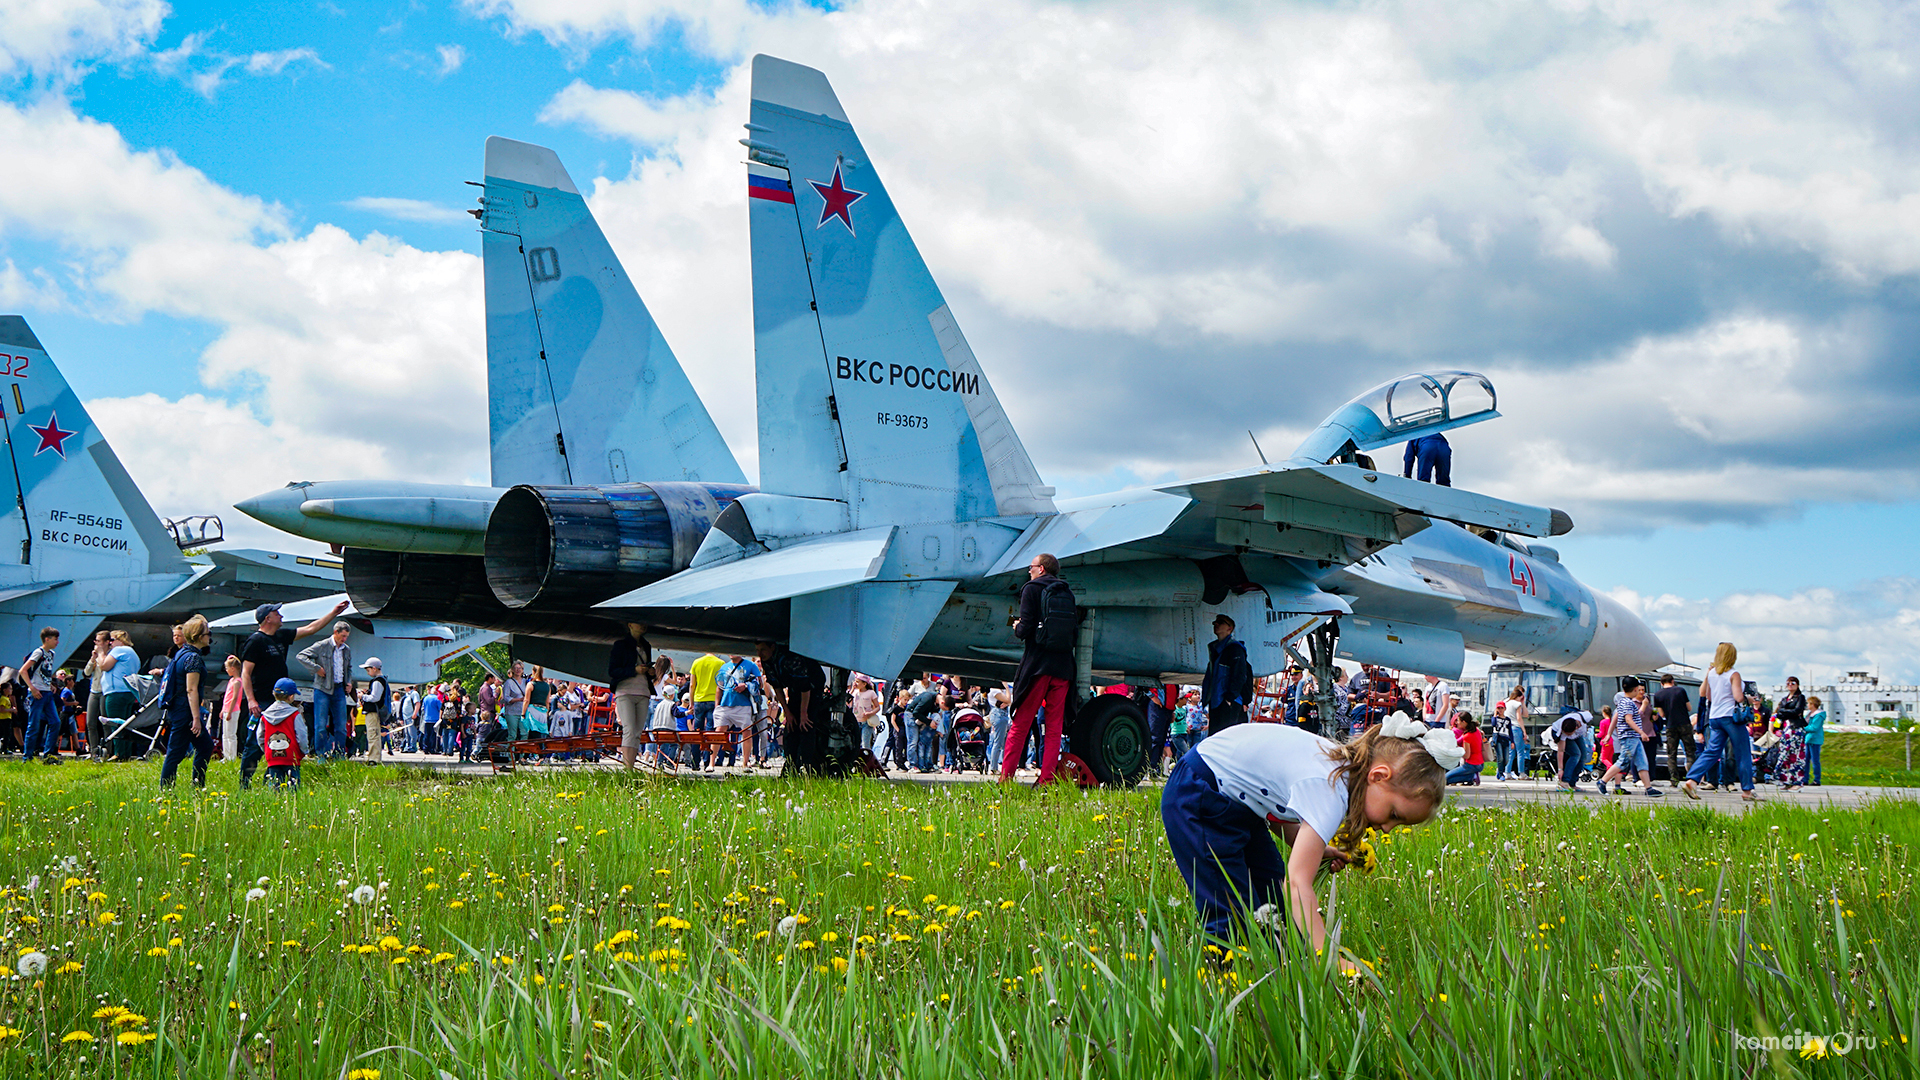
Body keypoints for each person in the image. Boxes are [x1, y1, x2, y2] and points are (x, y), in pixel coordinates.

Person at [1160, 711, 1452, 948]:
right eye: (1394, 814)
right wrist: (1327, 954)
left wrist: (1318, 848)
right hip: (1199, 795)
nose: (1388, 828)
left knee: (1271, 905)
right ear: (1378, 776)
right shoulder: (1330, 789)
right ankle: (1224, 976)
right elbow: (1298, 884)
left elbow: (1276, 808)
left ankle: (1270, 964)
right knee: (1230, 911)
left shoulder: (1337, 767)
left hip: (1233, 799)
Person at [240, 600, 349, 789]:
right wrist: (251, 700)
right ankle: (245, 784)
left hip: (282, 700)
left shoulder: (281, 635)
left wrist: (334, 613)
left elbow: (310, 629)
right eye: (277, 613)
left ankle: (274, 779)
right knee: (254, 744)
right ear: (268, 618)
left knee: (283, 741)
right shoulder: (255, 641)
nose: (281, 616)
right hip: (263, 700)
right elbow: (246, 673)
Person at [998, 553, 1077, 784]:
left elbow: (1025, 630)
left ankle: (1006, 779)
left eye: (1031, 567)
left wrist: (1017, 626)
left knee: (1021, 723)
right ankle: (1047, 780)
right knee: (1053, 728)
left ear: (1041, 569)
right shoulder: (1067, 592)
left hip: (1037, 666)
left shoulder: (1031, 589)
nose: (1028, 571)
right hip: (1063, 667)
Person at [1682, 642, 1757, 801]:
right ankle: (1747, 791)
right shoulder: (1733, 674)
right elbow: (1738, 697)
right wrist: (1748, 698)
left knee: (1712, 751)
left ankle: (1692, 780)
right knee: (1743, 753)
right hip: (1731, 717)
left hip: (1715, 717)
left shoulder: (1712, 673)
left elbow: (1707, 696)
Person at [758, 640, 834, 775]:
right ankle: (791, 765)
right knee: (792, 726)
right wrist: (788, 712)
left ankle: (807, 765)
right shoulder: (767, 661)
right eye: (758, 650)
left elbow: (805, 688)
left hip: (812, 685)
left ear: (772, 647)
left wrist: (804, 713)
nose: (760, 654)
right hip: (794, 687)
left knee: (806, 725)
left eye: (763, 649)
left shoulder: (790, 659)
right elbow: (777, 687)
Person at [158, 616, 215, 788]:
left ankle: (197, 785)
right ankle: (167, 790)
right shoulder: (193, 659)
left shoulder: (181, 653)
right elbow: (191, 689)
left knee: (205, 746)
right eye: (207, 633)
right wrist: (196, 718)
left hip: (180, 709)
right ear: (198, 636)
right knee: (175, 752)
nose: (209, 637)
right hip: (186, 711)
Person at [296, 621, 355, 760]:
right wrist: (316, 668)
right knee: (320, 725)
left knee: (341, 726)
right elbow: (301, 656)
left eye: (346, 636)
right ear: (335, 632)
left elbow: (349, 667)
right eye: (342, 636)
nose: (344, 639)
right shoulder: (322, 646)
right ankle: (320, 755)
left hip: (339, 689)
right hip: (322, 689)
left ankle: (339, 754)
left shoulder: (346, 649)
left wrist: (349, 681)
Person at [609, 623, 664, 771]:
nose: (642, 625)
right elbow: (613, 671)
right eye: (638, 623)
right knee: (629, 729)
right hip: (625, 691)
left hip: (643, 691)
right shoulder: (620, 645)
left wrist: (649, 671)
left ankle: (630, 767)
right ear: (630, 625)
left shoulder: (646, 645)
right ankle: (628, 768)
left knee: (637, 731)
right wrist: (634, 670)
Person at [1597, 678, 1662, 797]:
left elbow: (1615, 719)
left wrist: (1608, 734)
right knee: (1623, 761)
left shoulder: (1623, 702)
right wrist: (1641, 732)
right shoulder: (1627, 703)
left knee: (1642, 762)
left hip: (1634, 737)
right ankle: (1602, 782)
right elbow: (1628, 720)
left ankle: (1648, 788)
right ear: (1636, 689)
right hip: (1629, 736)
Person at [92, 629, 143, 762]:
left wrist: (101, 652)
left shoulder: (119, 650)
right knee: (125, 723)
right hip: (128, 692)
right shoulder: (132, 653)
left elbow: (103, 666)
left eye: (112, 640)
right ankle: (125, 753)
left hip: (116, 692)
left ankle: (119, 753)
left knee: (115, 722)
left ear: (121, 640)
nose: (110, 643)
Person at [1200, 614, 1253, 736]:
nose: (1216, 624)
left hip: (1227, 701)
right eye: (1215, 623)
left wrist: (1229, 698)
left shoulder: (1235, 649)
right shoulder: (1216, 650)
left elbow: (1240, 675)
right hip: (1216, 701)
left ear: (1230, 628)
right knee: (1216, 737)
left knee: (1226, 737)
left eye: (1221, 622)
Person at [21, 626, 63, 764]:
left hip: (46, 692)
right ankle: (27, 757)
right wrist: (32, 688)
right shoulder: (38, 652)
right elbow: (23, 670)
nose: (57, 642)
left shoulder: (51, 654)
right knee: (34, 725)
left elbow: (45, 671)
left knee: (55, 722)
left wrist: (49, 684)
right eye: (55, 639)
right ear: (47, 639)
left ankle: (48, 754)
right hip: (37, 693)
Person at [259, 677, 309, 791]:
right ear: (291, 697)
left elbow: (260, 736)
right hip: (292, 756)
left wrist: (266, 749)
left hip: (272, 756)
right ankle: (293, 804)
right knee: (294, 786)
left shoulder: (265, 716)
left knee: (274, 785)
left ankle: (275, 802)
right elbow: (301, 735)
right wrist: (304, 750)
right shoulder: (294, 715)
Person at [713, 652, 761, 769]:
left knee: (746, 732)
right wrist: (717, 705)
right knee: (719, 732)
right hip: (726, 704)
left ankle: (745, 762)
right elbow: (719, 687)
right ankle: (711, 763)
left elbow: (759, 683)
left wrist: (745, 685)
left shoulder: (750, 665)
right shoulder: (724, 667)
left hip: (744, 704)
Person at [1651, 674, 1694, 787]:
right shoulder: (1680, 690)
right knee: (1690, 752)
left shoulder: (1658, 695)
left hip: (1670, 725)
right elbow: (1689, 708)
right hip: (1685, 724)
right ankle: (1692, 778)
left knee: (1671, 754)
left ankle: (1674, 780)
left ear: (1661, 683)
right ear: (1673, 681)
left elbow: (1662, 714)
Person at [687, 652, 723, 770]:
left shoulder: (697, 662)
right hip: (714, 700)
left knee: (697, 732)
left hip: (699, 700)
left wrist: (691, 702)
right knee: (710, 731)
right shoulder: (720, 663)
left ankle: (695, 762)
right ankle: (708, 762)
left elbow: (692, 685)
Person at [1549, 707, 1592, 791]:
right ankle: (1564, 782)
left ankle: (1572, 783)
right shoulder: (1563, 731)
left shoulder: (1585, 718)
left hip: (1578, 735)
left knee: (1583, 757)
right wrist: (1560, 769)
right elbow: (1561, 751)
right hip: (1556, 731)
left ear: (1576, 728)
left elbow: (1588, 712)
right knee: (1575, 754)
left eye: (1569, 734)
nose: (1568, 735)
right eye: (1567, 734)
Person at [358, 658, 391, 764]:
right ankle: (374, 757)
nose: (367, 672)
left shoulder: (377, 681)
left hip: (373, 712)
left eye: (368, 670)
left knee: (372, 734)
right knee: (374, 734)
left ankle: (374, 759)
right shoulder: (382, 680)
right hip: (376, 712)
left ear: (374, 668)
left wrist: (363, 696)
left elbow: (375, 697)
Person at [218, 656, 246, 760]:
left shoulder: (237, 682)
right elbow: (227, 697)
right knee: (225, 734)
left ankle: (232, 756)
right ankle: (226, 755)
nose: (226, 670)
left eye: (227, 668)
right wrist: (223, 710)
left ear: (233, 668)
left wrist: (229, 712)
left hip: (233, 710)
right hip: (227, 709)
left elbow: (234, 698)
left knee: (231, 734)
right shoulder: (231, 680)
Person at [1445, 715, 1484, 785]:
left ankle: (1471, 777)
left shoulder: (1467, 736)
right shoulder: (1476, 730)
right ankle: (1471, 777)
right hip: (1480, 763)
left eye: (1458, 721)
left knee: (1445, 777)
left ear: (1464, 722)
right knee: (1448, 779)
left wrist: (1458, 751)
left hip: (1472, 765)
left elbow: (1467, 756)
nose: (1457, 723)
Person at [1804, 695, 1827, 786]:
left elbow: (1814, 727)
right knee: (1805, 760)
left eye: (1809, 703)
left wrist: (1803, 728)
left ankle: (1817, 779)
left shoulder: (1818, 715)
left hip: (1815, 739)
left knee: (1815, 760)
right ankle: (1805, 778)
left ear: (1813, 704)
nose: (1807, 705)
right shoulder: (1809, 714)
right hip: (1808, 739)